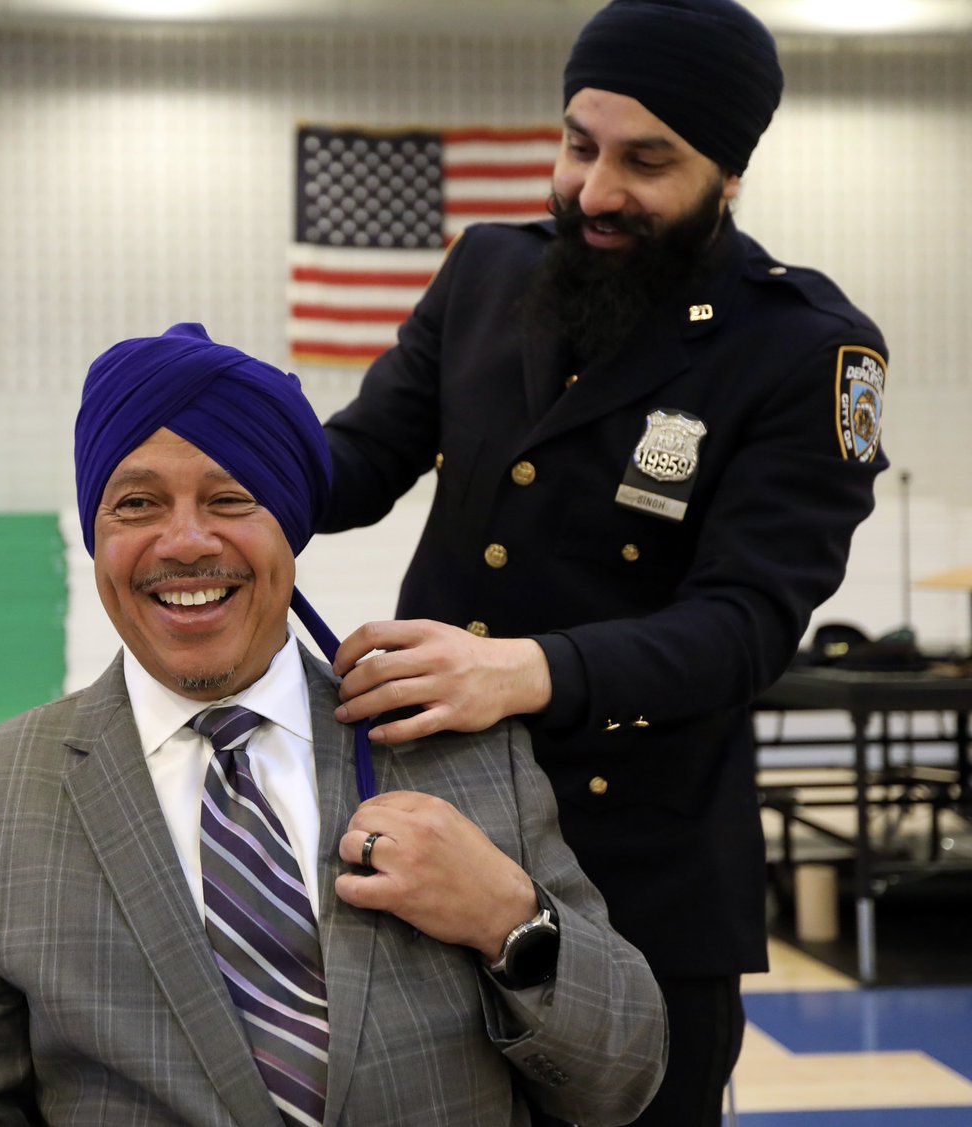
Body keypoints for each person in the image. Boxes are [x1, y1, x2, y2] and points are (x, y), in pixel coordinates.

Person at [0, 322, 667, 1127]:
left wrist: (508, 917)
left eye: (230, 499)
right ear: (97, 534)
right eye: (137, 503)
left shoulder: (463, 753)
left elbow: (621, 1077)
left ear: (289, 522)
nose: (183, 540)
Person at [318, 1, 890, 1124]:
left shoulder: (804, 348)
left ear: (729, 172)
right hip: (435, 834)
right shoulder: (487, 270)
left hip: (641, 882)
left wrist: (526, 669)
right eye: (579, 143)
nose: (594, 189)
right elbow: (358, 459)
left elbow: (745, 623)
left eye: (647, 160)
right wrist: (223, 464)